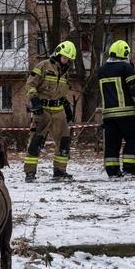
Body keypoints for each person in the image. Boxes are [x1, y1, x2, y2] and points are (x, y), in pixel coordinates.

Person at [23, 40, 77, 182]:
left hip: (58, 111)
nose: (66, 61)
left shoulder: (65, 73)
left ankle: (60, 171)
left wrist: (67, 106)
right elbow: (30, 84)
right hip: (43, 110)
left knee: (64, 141)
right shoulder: (43, 66)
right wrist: (34, 100)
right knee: (35, 142)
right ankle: (30, 173)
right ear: (58, 54)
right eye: (64, 57)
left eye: (68, 59)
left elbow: (61, 92)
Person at [98, 40, 135, 178]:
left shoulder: (101, 71)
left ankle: (112, 170)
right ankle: (130, 168)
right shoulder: (126, 68)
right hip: (126, 113)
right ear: (125, 54)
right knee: (133, 137)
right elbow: (134, 89)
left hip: (108, 115)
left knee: (112, 142)